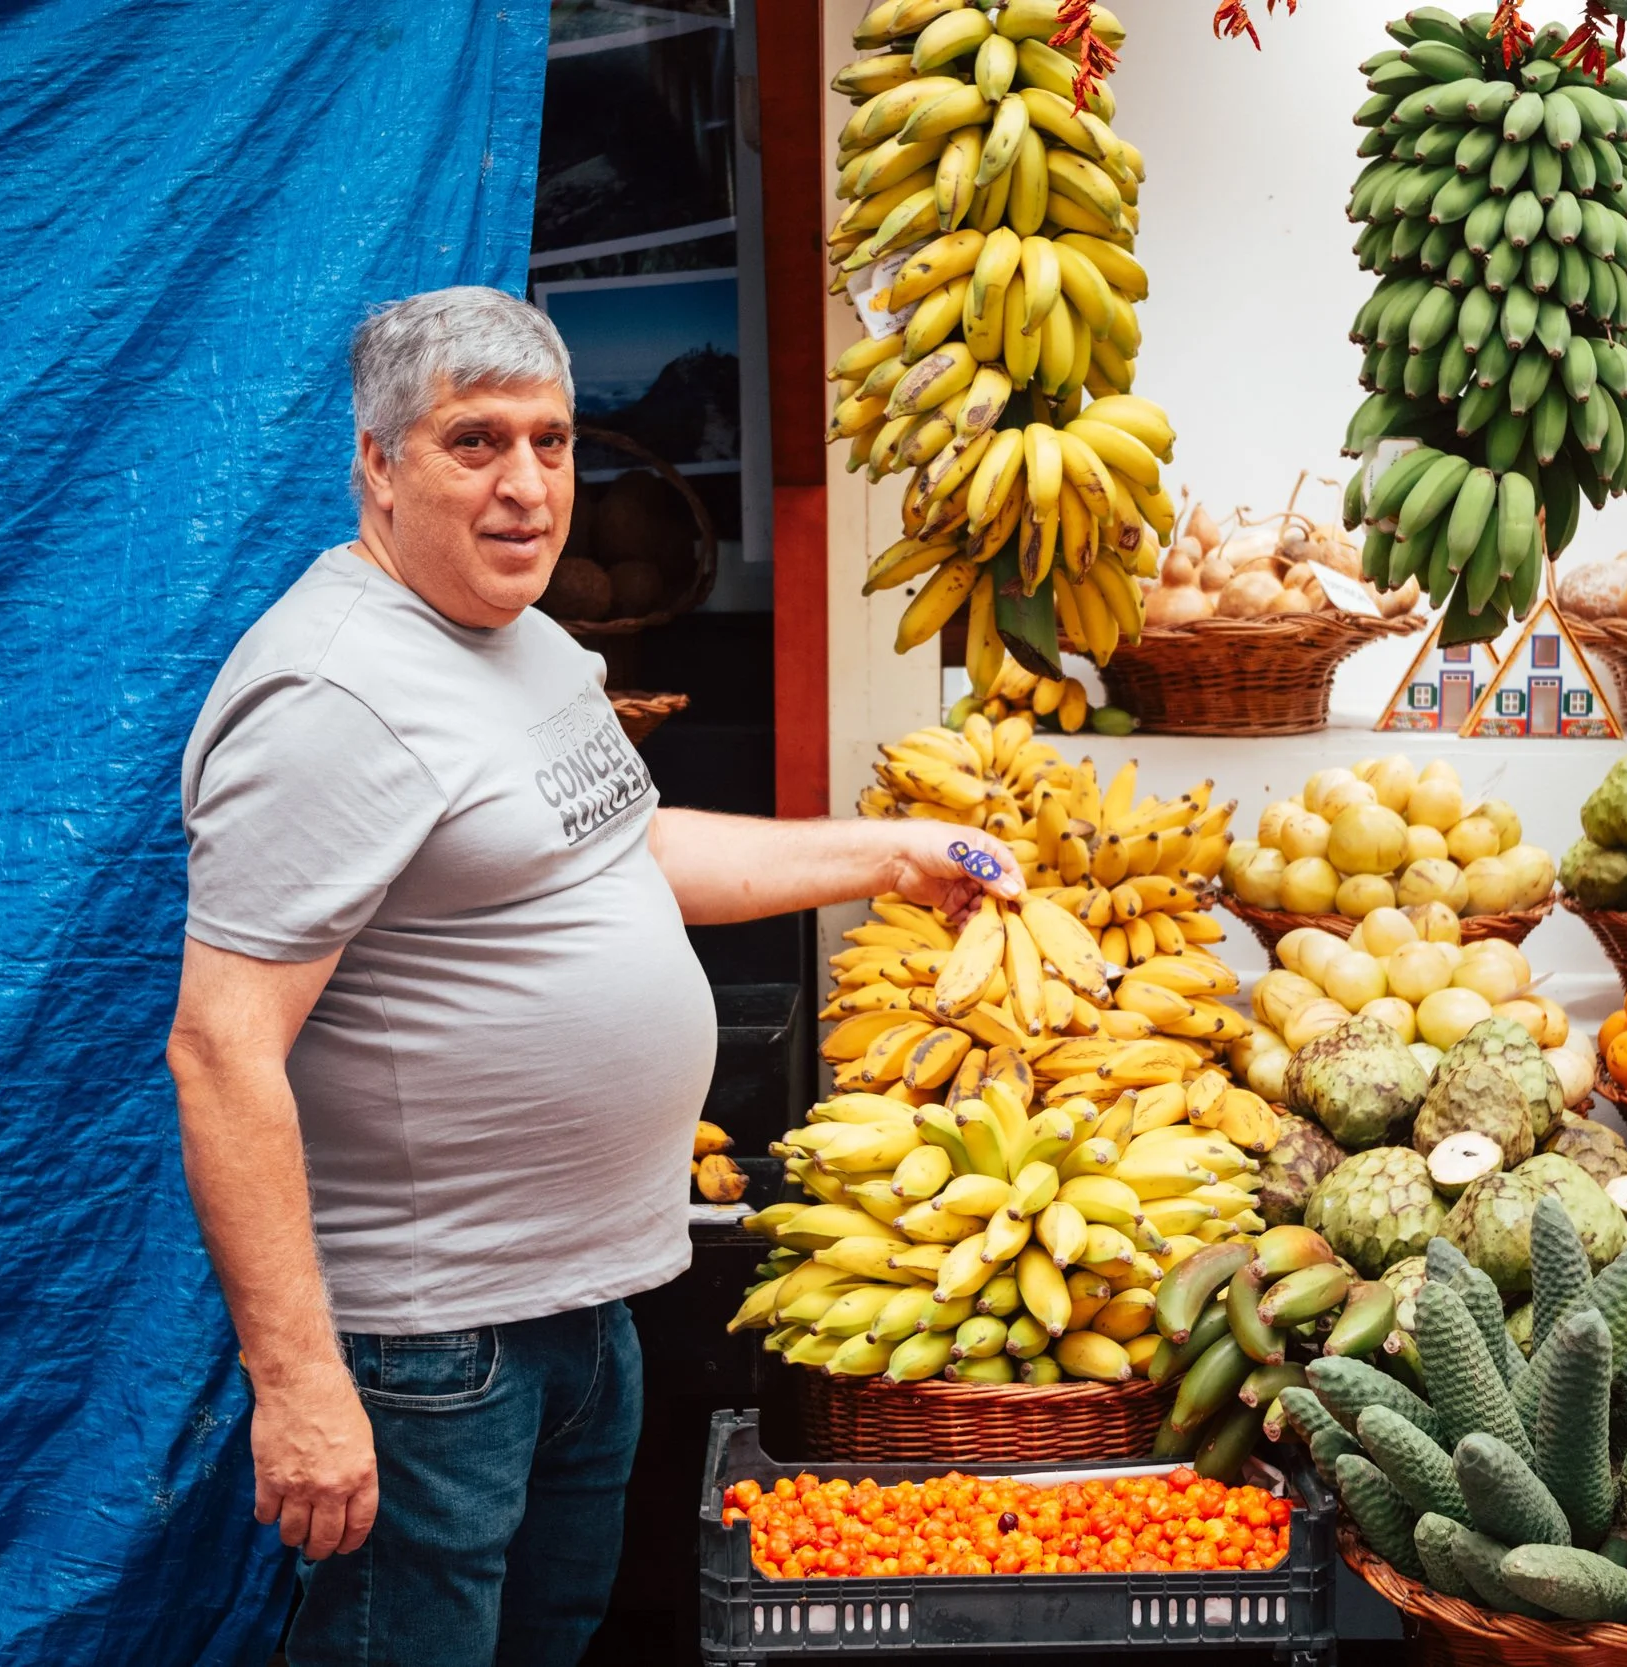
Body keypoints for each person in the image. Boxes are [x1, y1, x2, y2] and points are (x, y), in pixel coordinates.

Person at [164, 286, 1017, 1667]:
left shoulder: (526, 639)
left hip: (578, 1314)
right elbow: (219, 1048)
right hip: (431, 1348)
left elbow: (626, 853)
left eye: (552, 443)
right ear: (377, 465)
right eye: (473, 442)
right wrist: (301, 1382)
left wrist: (887, 850)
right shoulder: (330, 696)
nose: (525, 487)